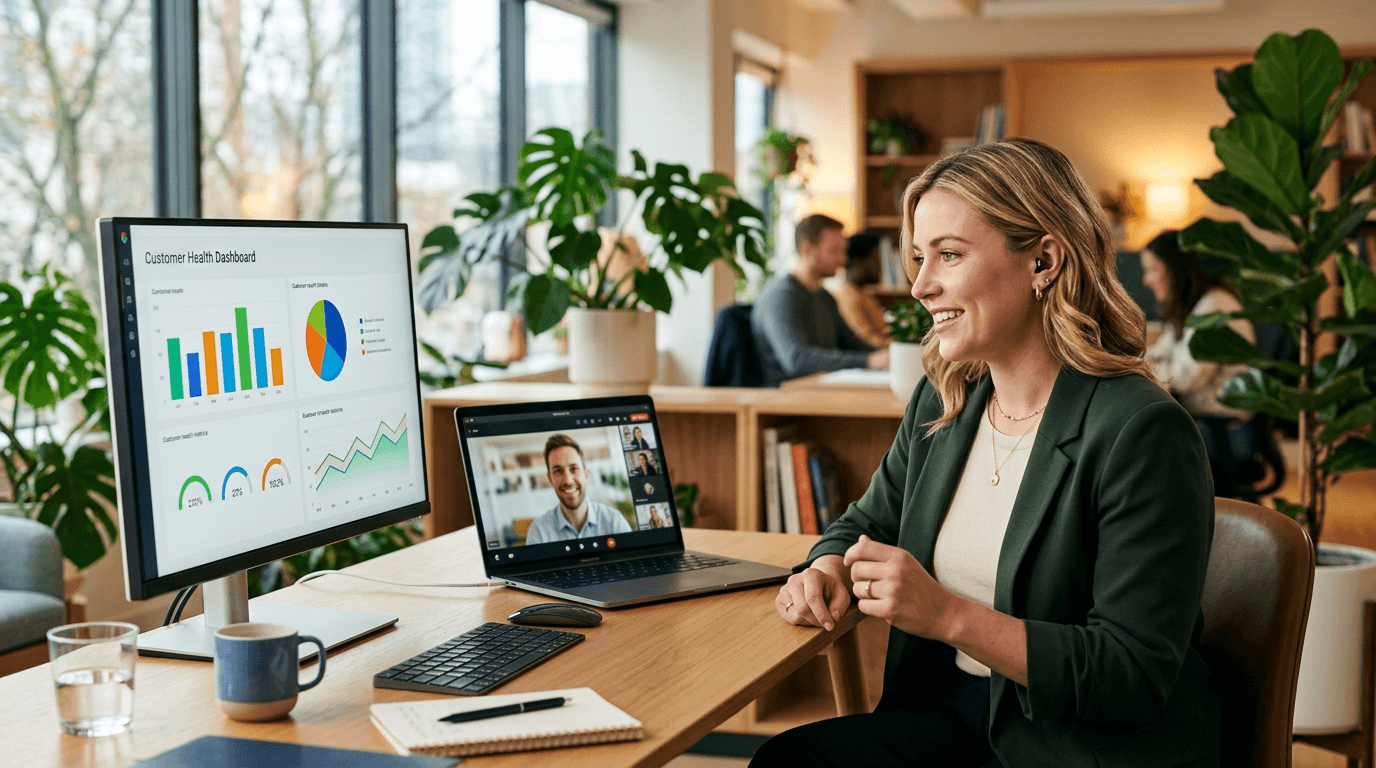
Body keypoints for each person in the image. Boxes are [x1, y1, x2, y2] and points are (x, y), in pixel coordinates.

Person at [751, 138, 1218, 767]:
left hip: (1075, 744)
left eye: (948, 255)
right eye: (918, 257)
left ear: (1044, 261)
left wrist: (948, 616)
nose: (919, 286)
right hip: (951, 715)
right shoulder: (946, 402)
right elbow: (864, 524)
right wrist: (827, 566)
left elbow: (1130, 673)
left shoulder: (1142, 431)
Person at [752, 214, 889, 387]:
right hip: (786, 399)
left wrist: (890, 356)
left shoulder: (825, 297)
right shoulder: (781, 296)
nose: (843, 259)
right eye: (834, 251)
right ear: (807, 250)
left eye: (843, 250)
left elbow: (852, 344)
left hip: (818, 390)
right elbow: (797, 359)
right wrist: (868, 361)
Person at [1141, 229, 1254, 422]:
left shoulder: (1215, 307)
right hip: (1200, 413)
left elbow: (1187, 378)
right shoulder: (1192, 308)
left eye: (1153, 270)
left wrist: (1144, 369)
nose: (1146, 280)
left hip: (1219, 419)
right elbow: (1160, 352)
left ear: (1174, 269)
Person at [523, 434, 632, 544]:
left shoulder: (614, 522)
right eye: (558, 471)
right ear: (550, 479)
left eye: (574, 469)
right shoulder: (538, 532)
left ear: (586, 474)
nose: (568, 481)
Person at [827, 232, 894, 348]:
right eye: (875, 260)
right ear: (857, 261)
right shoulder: (848, 298)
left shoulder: (862, 293)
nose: (880, 267)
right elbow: (865, 342)